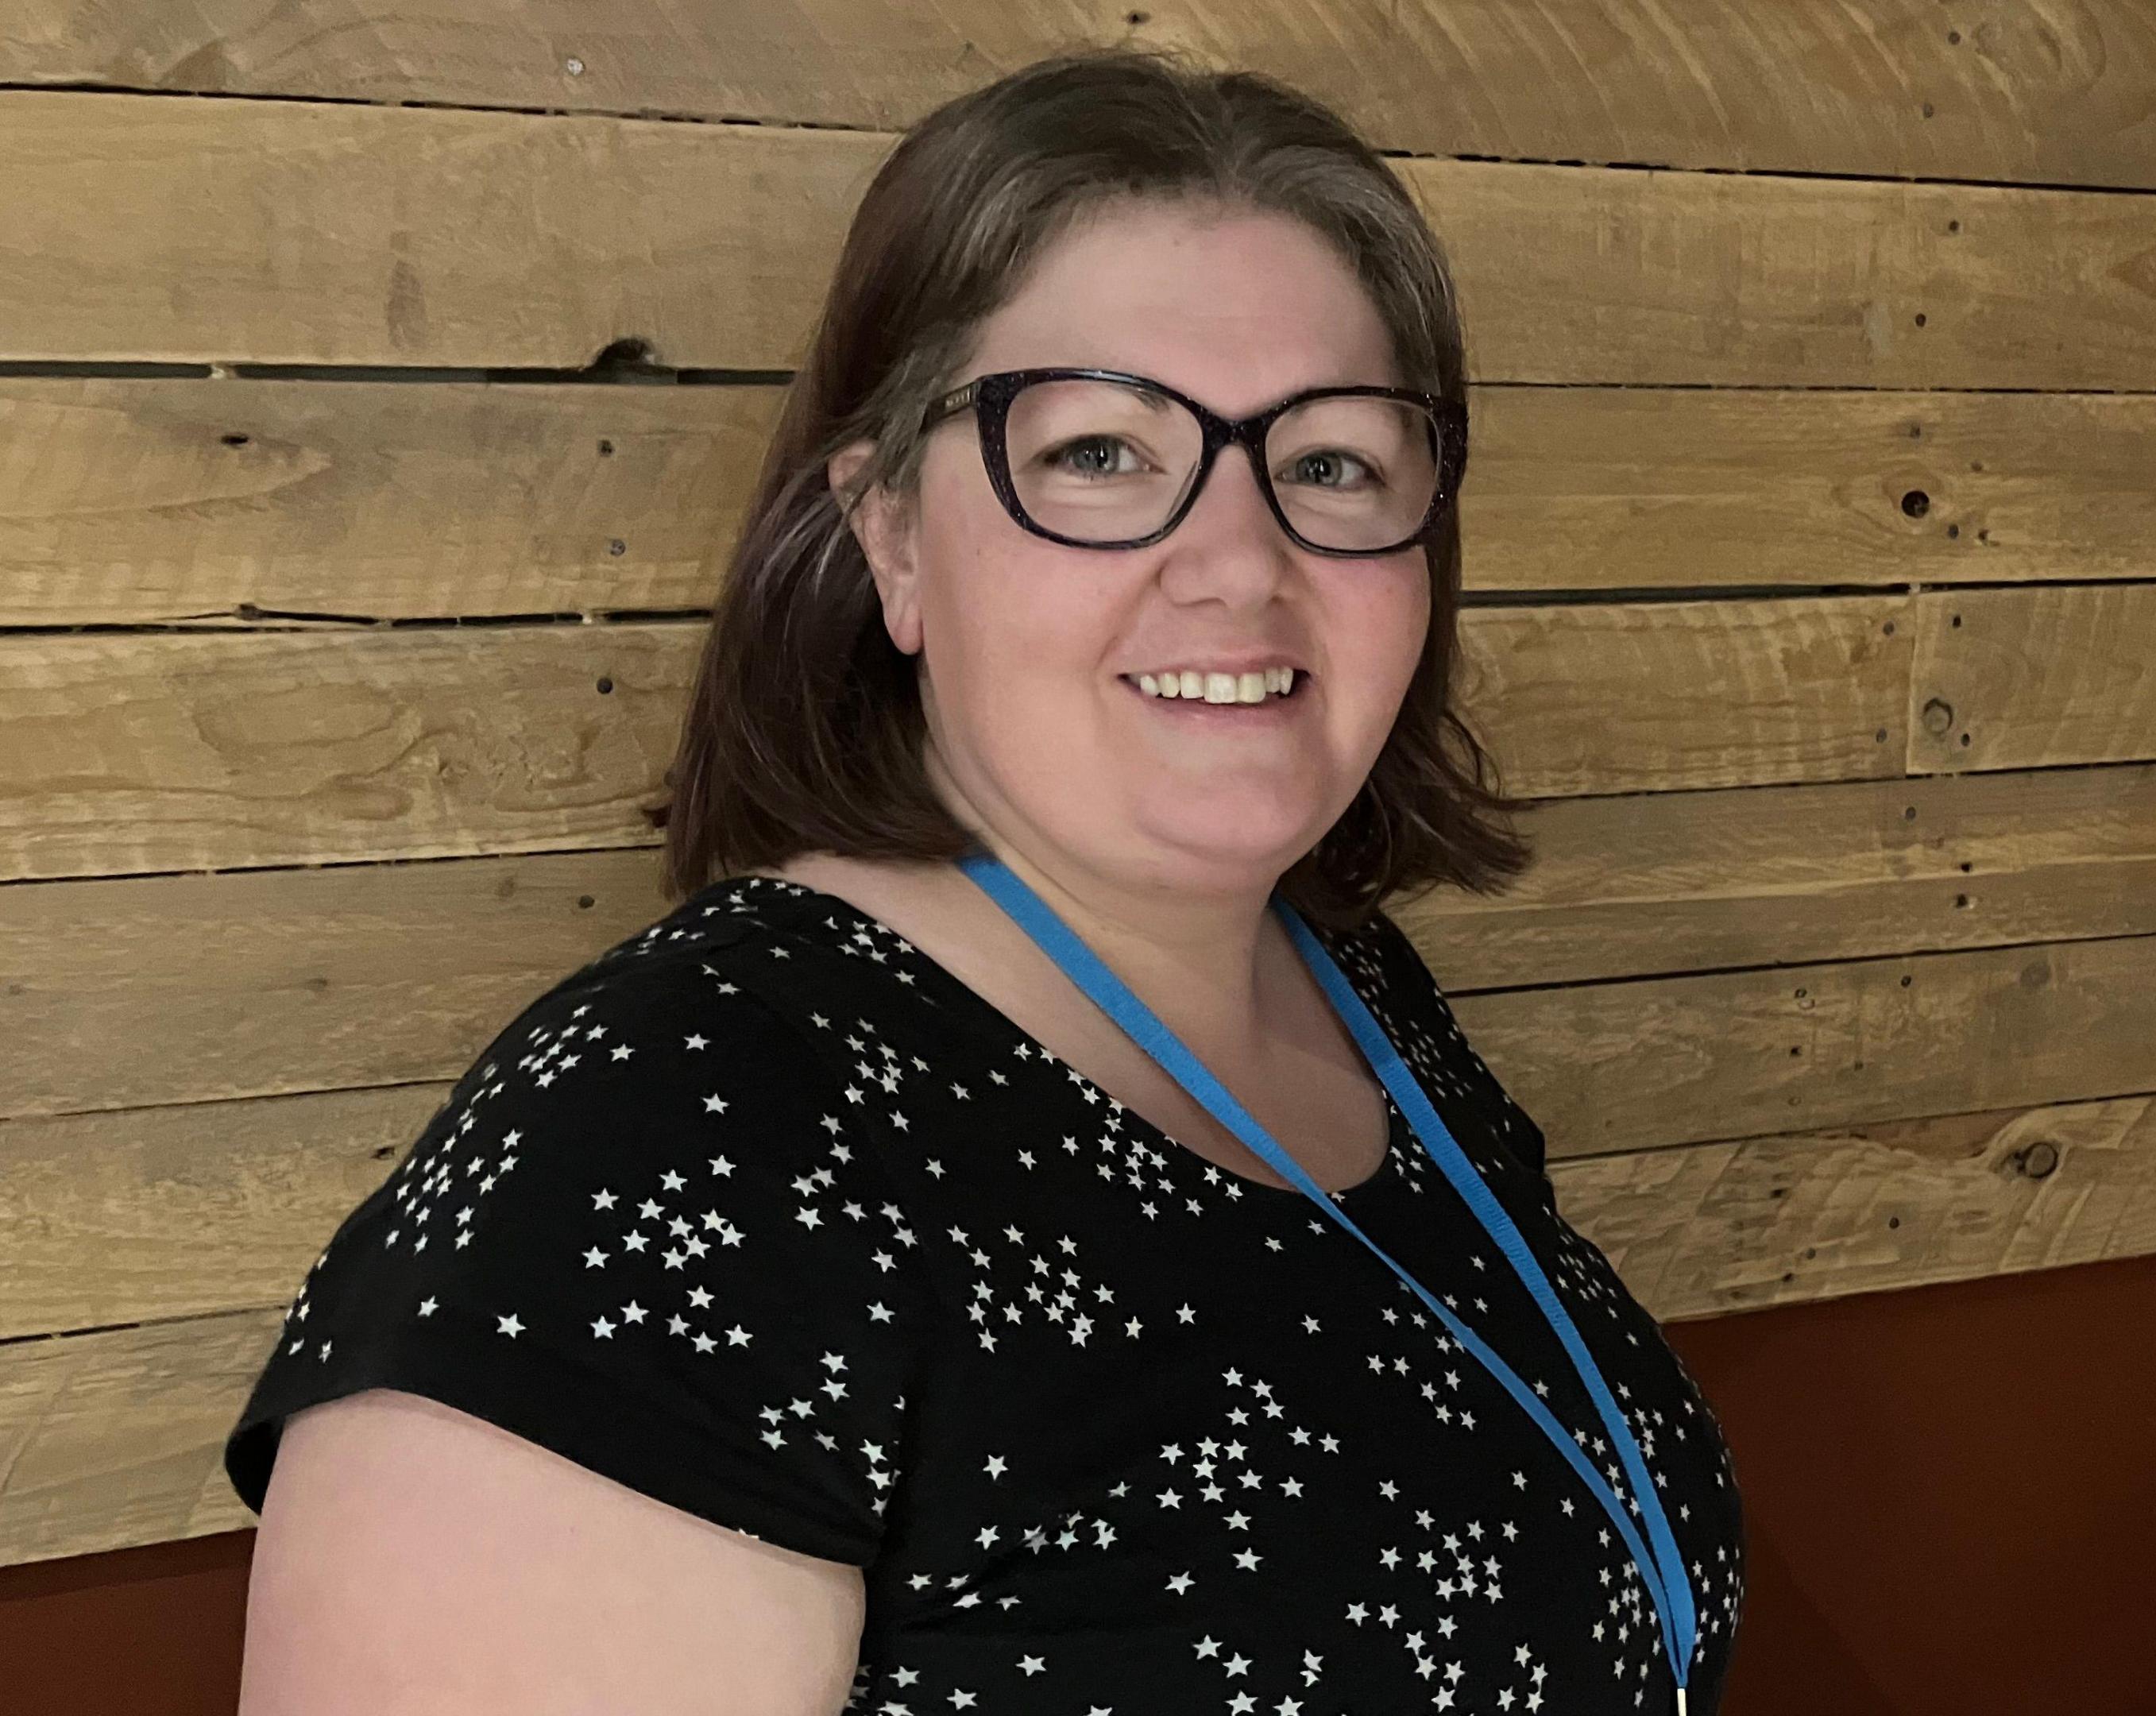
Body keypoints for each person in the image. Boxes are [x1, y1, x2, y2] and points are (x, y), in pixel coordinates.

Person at [226, 48, 1747, 1714]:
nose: (1241, 561)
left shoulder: (1359, 1002)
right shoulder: (669, 1138)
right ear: (887, 536)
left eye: (1329, 463)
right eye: (1099, 452)